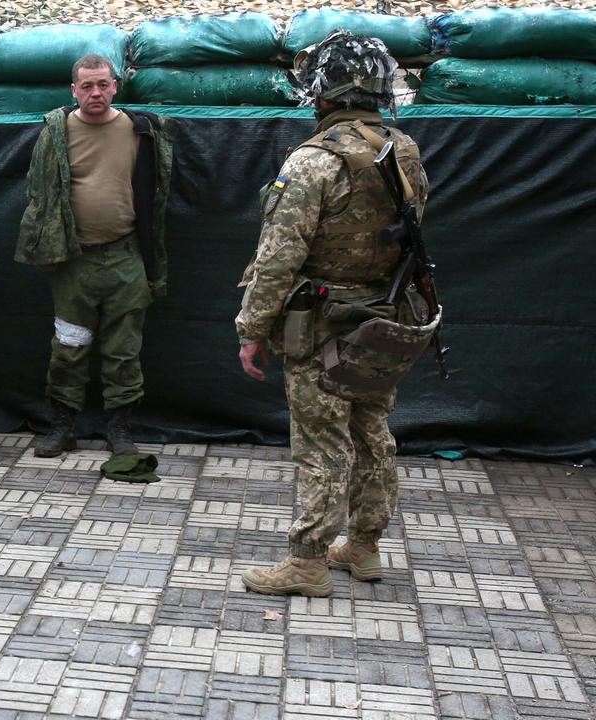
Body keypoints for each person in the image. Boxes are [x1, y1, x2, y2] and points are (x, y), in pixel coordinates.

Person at [236, 30, 435, 597]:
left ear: (323, 92)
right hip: (385, 319)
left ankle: (308, 562)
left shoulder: (313, 162)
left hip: (324, 323)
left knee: (322, 443)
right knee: (372, 430)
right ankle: (365, 546)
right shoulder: (403, 152)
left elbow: (278, 257)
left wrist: (251, 328)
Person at [16, 54, 174, 459]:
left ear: (115, 86)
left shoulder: (141, 131)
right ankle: (63, 426)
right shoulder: (56, 132)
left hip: (125, 257)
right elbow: (38, 195)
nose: (95, 93)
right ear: (74, 91)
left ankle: (119, 429)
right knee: (69, 346)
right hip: (74, 261)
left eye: (102, 84)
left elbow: (157, 192)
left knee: (124, 351)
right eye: (86, 86)